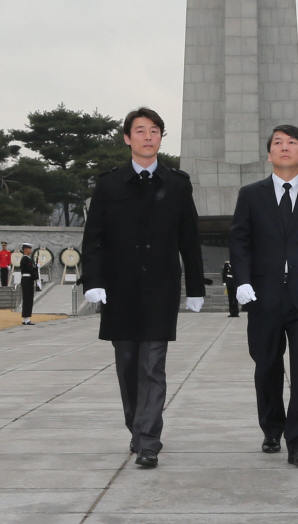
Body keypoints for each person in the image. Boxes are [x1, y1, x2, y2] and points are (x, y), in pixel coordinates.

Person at [81, 107, 205, 468]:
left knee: (153, 363)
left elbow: (189, 238)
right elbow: (94, 239)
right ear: (127, 138)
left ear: (161, 138)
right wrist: (93, 281)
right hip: (119, 290)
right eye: (140, 130)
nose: (148, 136)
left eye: (154, 131)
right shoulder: (109, 184)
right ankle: (136, 427)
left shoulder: (177, 184)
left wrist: (195, 286)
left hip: (160, 289)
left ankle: (149, 439)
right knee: (127, 364)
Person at [229, 124, 298, 469]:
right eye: (278, 143)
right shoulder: (251, 194)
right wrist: (242, 282)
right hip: (264, 296)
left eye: (293, 143)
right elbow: (240, 241)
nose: (285, 147)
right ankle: (272, 427)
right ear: (269, 154)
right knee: (267, 365)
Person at [20, 243, 39, 325]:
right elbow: (30, 270)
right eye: (29, 249)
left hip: (28, 280)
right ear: (25, 249)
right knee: (28, 299)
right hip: (27, 280)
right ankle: (26, 318)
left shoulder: (28, 259)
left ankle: (25, 318)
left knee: (28, 299)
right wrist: (36, 276)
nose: (30, 250)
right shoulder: (25, 259)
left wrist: (36, 267)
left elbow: (31, 269)